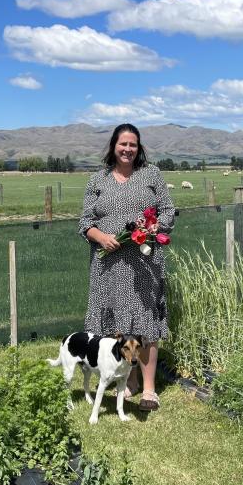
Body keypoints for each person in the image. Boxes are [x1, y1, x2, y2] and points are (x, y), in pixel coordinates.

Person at [79, 123, 175, 411]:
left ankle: (148, 390)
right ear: (113, 146)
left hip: (144, 264)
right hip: (108, 267)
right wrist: (101, 237)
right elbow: (85, 223)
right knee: (114, 324)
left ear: (139, 147)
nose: (128, 149)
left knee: (145, 322)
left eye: (133, 144)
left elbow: (168, 211)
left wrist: (154, 226)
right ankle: (124, 382)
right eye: (123, 144)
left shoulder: (151, 175)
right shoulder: (97, 180)